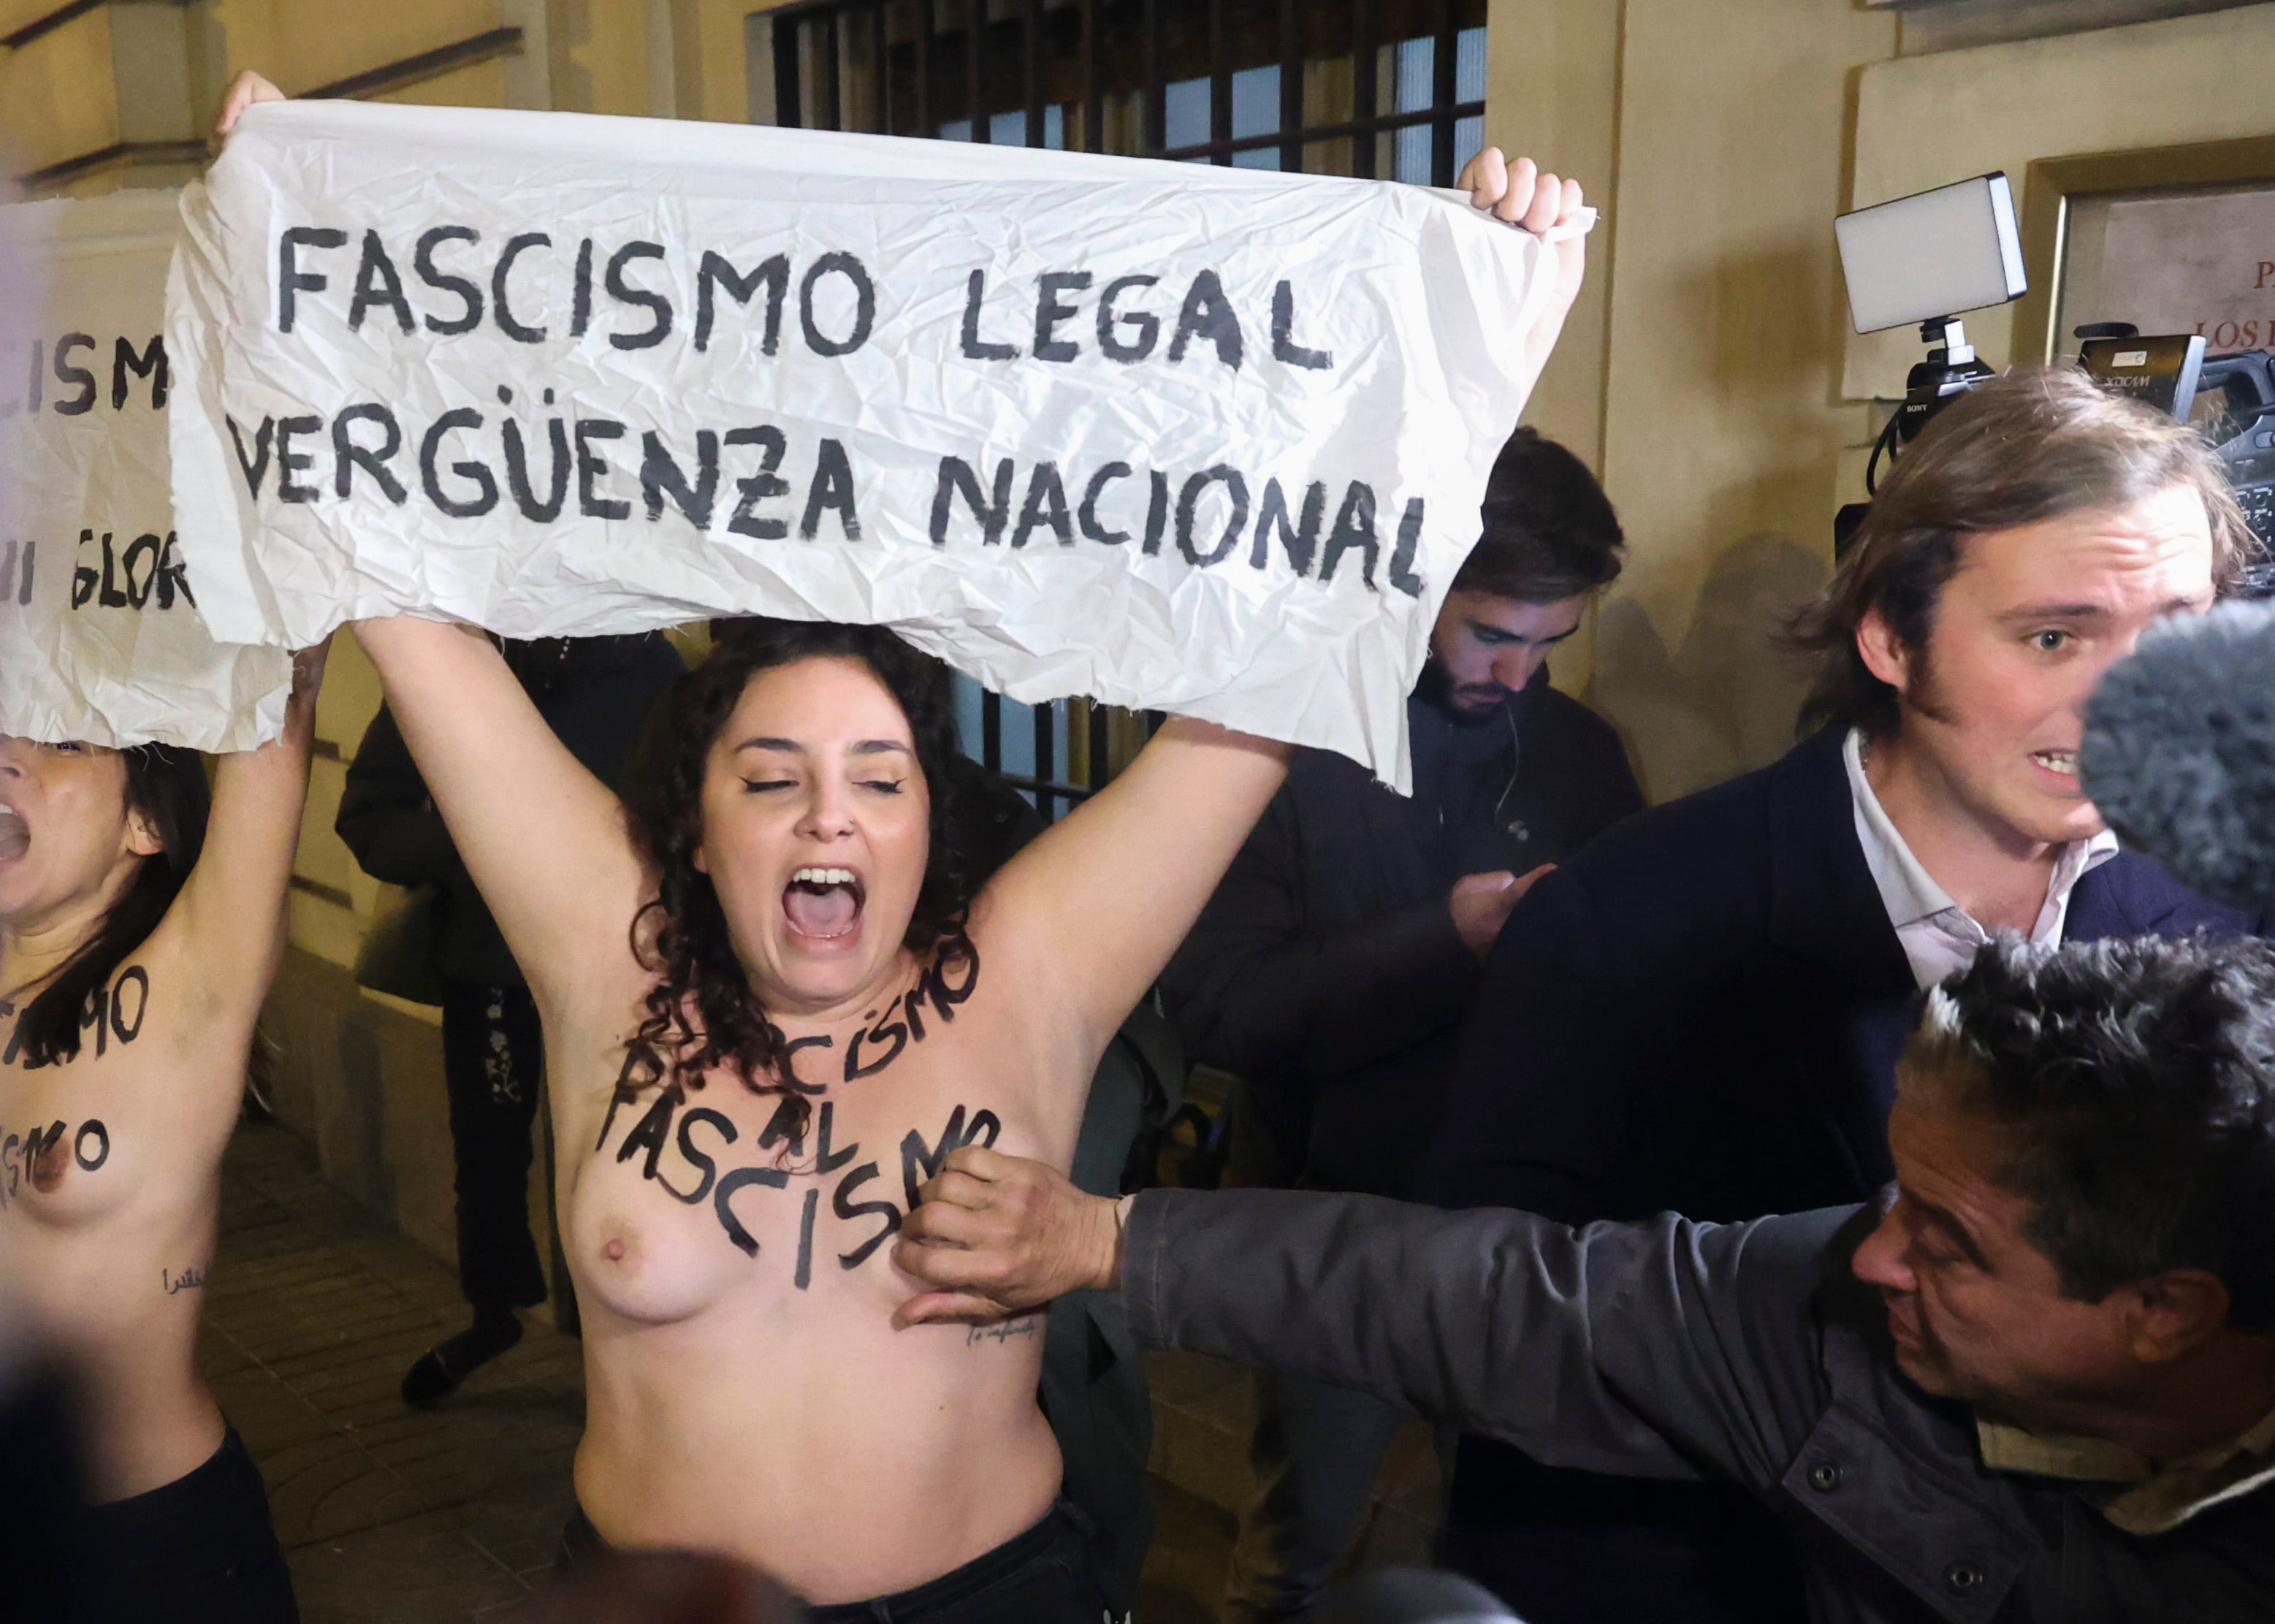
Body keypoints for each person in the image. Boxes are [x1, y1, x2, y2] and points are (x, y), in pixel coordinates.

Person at [217, 68, 1592, 1616]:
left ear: (927, 819)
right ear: (698, 825)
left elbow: (1282, 653)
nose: (828, 812)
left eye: (879, 776)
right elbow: (396, 581)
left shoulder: (1028, 970)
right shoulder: (613, 954)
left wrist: (1471, 318)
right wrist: (296, 230)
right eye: (773, 775)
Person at [1406, 365, 2275, 1624]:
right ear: (1887, 633)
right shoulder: (1620, 921)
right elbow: (1485, 1330)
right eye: (2052, 635)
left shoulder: (2217, 880)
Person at [893, 933, 2275, 1623]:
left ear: (2160, 1309)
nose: (1873, 1249)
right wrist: (1104, 1238)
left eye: (1950, 1241)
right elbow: (1501, 1297)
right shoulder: (1842, 1306)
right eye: (1896, 1193)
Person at [1159, 425, 1641, 1620]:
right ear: (1414, 584)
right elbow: (1217, 1008)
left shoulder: (1577, 755)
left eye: (1548, 644)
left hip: (1524, 1233)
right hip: (1330, 1224)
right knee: (1293, 1550)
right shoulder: (1279, 740)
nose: (1518, 675)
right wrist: (1447, 938)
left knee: (1501, 1546)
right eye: (1490, 633)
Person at [0, 646, 324, 1622]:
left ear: (145, 818)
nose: (8, 753)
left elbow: (282, 703)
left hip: (145, 1551)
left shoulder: (189, 985)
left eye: (58, 737)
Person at [339, 632, 685, 1405]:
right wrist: (477, 839)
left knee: (616, 1159)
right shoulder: (469, 660)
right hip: (490, 966)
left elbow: (699, 809)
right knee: (490, 1157)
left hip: (623, 981)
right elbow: (368, 815)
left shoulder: (651, 667)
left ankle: (621, 1347)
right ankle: (493, 1314)